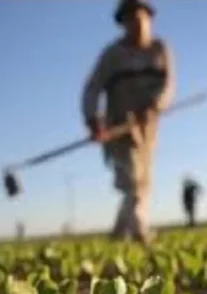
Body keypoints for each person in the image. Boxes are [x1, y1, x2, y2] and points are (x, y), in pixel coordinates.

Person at [81, 0, 175, 245]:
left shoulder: (160, 50)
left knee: (142, 182)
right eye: (130, 18)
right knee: (132, 181)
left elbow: (168, 85)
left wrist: (154, 106)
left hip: (148, 131)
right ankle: (140, 232)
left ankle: (118, 233)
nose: (136, 23)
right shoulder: (112, 55)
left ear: (149, 19)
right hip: (119, 128)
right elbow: (92, 88)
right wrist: (93, 120)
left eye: (140, 17)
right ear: (123, 23)